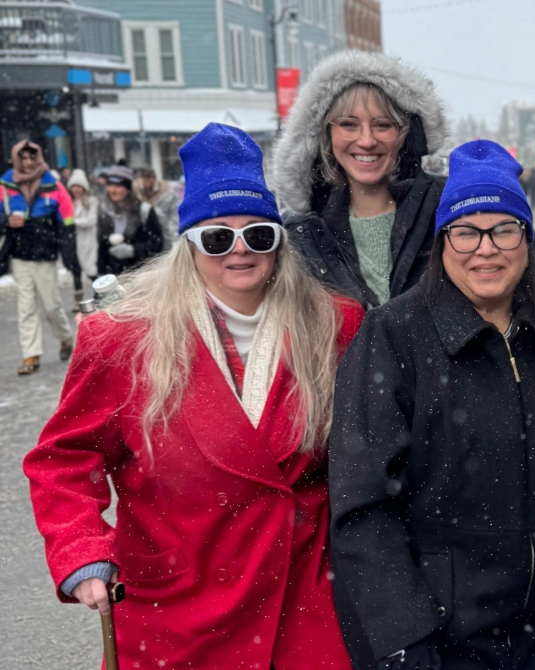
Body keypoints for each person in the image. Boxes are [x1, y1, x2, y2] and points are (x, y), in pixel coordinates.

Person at [24, 123, 363, 669]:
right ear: (188, 244)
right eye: (216, 237)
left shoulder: (335, 325)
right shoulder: (122, 338)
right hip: (180, 606)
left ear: (279, 242)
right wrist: (84, 550)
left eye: (259, 235)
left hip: (304, 597)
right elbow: (65, 460)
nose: (239, 251)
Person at [328, 140, 535, 670]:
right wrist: (404, 640)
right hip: (440, 638)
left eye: (504, 229)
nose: (486, 248)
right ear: (443, 242)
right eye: (466, 230)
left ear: (526, 238)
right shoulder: (395, 335)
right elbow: (362, 506)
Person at [270, 50, 450, 309]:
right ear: (325, 135)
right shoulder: (302, 236)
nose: (366, 141)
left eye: (382, 125)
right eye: (349, 124)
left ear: (406, 135)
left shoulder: (446, 211)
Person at [1, 140, 79, 375]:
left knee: (52, 306)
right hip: (19, 254)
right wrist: (6, 221)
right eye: (23, 157)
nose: (27, 162)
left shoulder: (53, 185)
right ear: (15, 159)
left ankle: (65, 337)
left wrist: (69, 255)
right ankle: (31, 355)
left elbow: (67, 221)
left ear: (39, 157)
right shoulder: (5, 186)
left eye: (31, 157)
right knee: (25, 306)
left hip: (45, 254)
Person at [97, 164, 165, 275]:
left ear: (127, 188)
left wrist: (133, 250)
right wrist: (100, 275)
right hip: (113, 276)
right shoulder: (105, 211)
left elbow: (157, 244)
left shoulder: (144, 211)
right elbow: (102, 246)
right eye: (110, 185)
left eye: (118, 186)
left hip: (139, 275)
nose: (112, 190)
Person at [135, 166, 181, 249]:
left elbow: (174, 219)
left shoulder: (168, 195)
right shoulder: (137, 195)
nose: (147, 181)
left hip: (164, 236)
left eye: (149, 177)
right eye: (144, 178)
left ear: (154, 178)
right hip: (145, 240)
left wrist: (172, 240)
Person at [67, 169, 99, 281]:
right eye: (74, 186)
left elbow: (91, 220)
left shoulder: (91, 201)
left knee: (90, 269)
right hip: (72, 240)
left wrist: (72, 221)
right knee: (75, 268)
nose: (76, 189)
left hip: (87, 240)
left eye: (79, 186)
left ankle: (98, 293)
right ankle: (78, 294)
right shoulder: (67, 202)